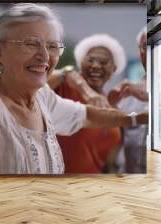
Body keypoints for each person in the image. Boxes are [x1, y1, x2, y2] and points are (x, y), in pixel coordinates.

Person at [0, 3, 148, 174]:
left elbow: (86, 115)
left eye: (52, 45)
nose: (44, 56)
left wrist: (136, 118)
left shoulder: (43, 97)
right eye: (31, 43)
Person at [47, 34, 127, 173]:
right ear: (80, 64)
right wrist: (81, 86)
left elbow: (110, 161)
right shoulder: (63, 88)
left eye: (103, 62)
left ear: (113, 69)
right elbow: (39, 84)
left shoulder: (114, 109)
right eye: (90, 60)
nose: (96, 66)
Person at [108, 26, 148, 173]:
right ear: (140, 52)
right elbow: (116, 138)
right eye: (145, 46)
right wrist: (110, 106)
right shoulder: (128, 92)